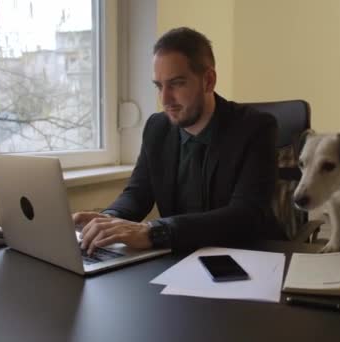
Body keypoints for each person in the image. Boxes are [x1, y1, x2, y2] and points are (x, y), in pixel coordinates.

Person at [74, 27, 280, 255]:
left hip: (249, 257)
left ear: (208, 80)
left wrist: (154, 232)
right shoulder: (157, 127)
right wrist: (109, 219)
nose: (165, 99)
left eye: (177, 84)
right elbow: (138, 193)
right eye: (159, 86)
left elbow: (246, 215)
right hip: (181, 257)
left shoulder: (255, 127)